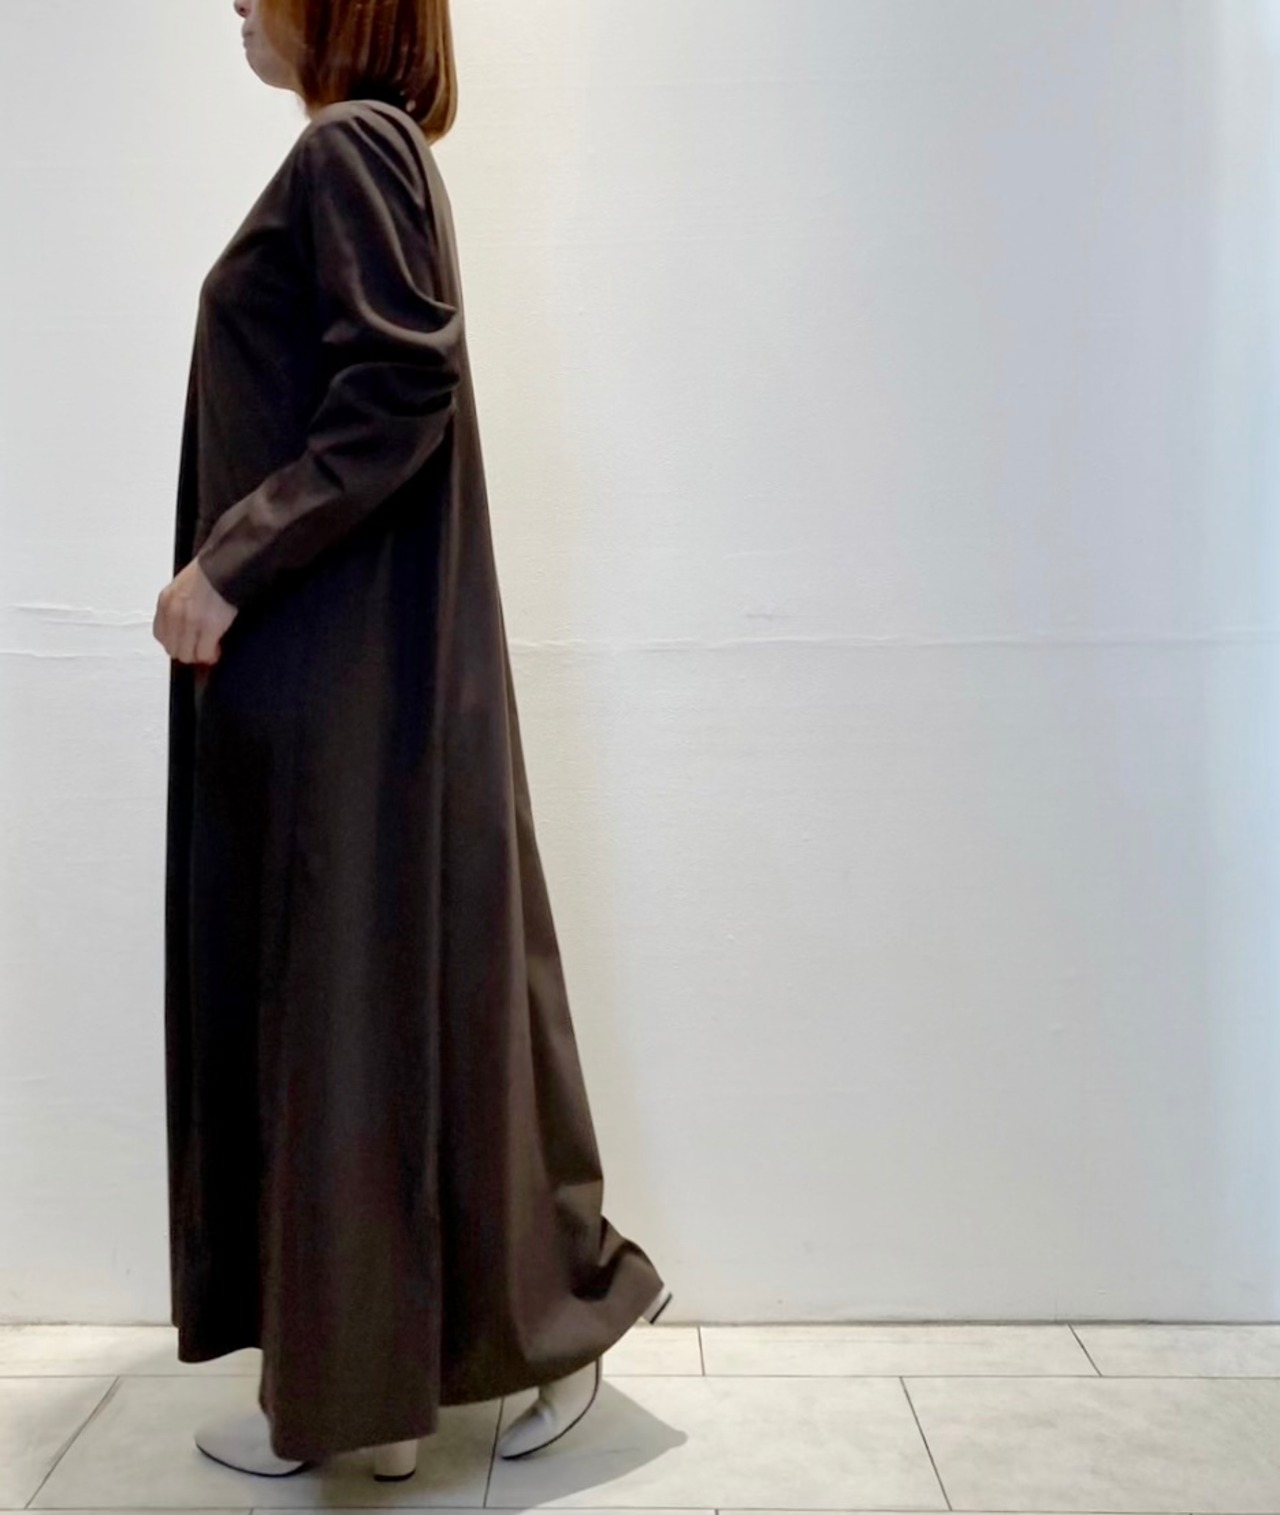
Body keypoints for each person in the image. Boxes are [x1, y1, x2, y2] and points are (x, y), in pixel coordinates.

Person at [153, 0, 670, 1484]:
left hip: (346, 676)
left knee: (351, 1005)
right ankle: (374, 1393)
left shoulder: (351, 152)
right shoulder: (364, 155)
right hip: (346, 675)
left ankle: (410, 1379)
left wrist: (225, 563)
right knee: (365, 1010)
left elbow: (400, 385)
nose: (234, 1)